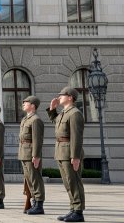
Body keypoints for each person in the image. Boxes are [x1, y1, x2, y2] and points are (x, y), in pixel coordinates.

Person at [48, 87, 86, 222]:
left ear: (70, 97)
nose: (59, 97)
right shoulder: (64, 112)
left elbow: (77, 137)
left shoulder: (74, 113)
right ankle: (73, 208)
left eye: (62, 95)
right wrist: (52, 110)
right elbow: (56, 123)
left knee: (74, 181)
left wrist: (75, 156)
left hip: (70, 152)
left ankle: (78, 211)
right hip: (61, 151)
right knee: (68, 182)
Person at [20, 95, 45, 215]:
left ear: (33, 106)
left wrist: (36, 155)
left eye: (26, 102)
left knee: (35, 179)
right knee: (29, 180)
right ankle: (34, 201)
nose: (23, 104)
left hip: (31, 154)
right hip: (24, 153)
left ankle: (39, 203)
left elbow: (37, 140)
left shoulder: (36, 120)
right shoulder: (25, 119)